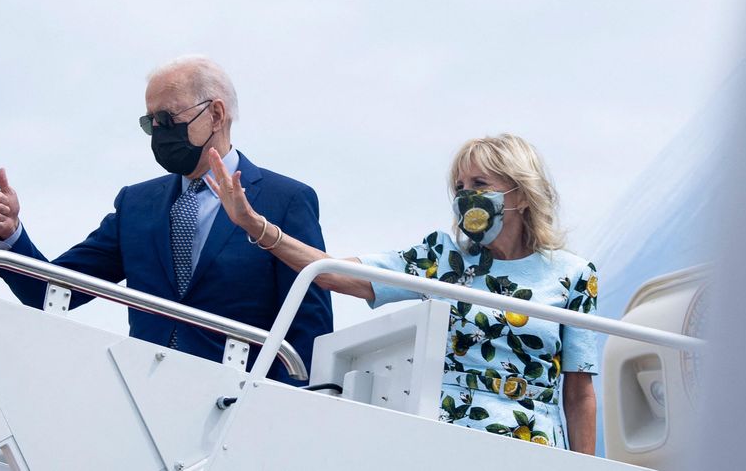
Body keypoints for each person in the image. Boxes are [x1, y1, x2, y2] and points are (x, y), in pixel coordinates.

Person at [205, 133, 599, 453]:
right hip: (446, 439)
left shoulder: (573, 275)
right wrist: (255, 225)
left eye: (480, 184)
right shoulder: (443, 257)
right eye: (459, 187)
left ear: (521, 192)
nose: (466, 196)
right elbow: (335, 274)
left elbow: (579, 393)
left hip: (532, 444)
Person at [0, 55, 333, 384]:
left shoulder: (284, 200)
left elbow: (308, 329)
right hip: (145, 404)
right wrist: (10, 236)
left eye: (168, 119)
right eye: (151, 122)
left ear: (216, 114)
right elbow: (51, 292)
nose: (160, 132)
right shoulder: (137, 204)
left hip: (239, 409)